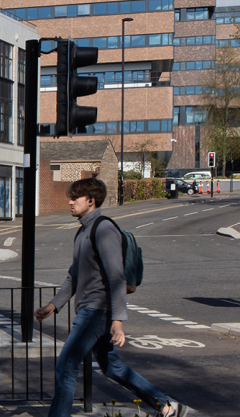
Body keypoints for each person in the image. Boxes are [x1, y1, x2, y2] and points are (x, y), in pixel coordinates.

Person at [35, 178, 187, 417]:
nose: (70, 201)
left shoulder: (103, 229)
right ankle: (166, 406)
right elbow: (74, 275)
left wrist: (118, 321)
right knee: (113, 367)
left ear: (91, 201)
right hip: (91, 309)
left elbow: (116, 277)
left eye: (76, 197)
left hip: (97, 310)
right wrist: (54, 305)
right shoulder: (83, 231)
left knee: (66, 366)